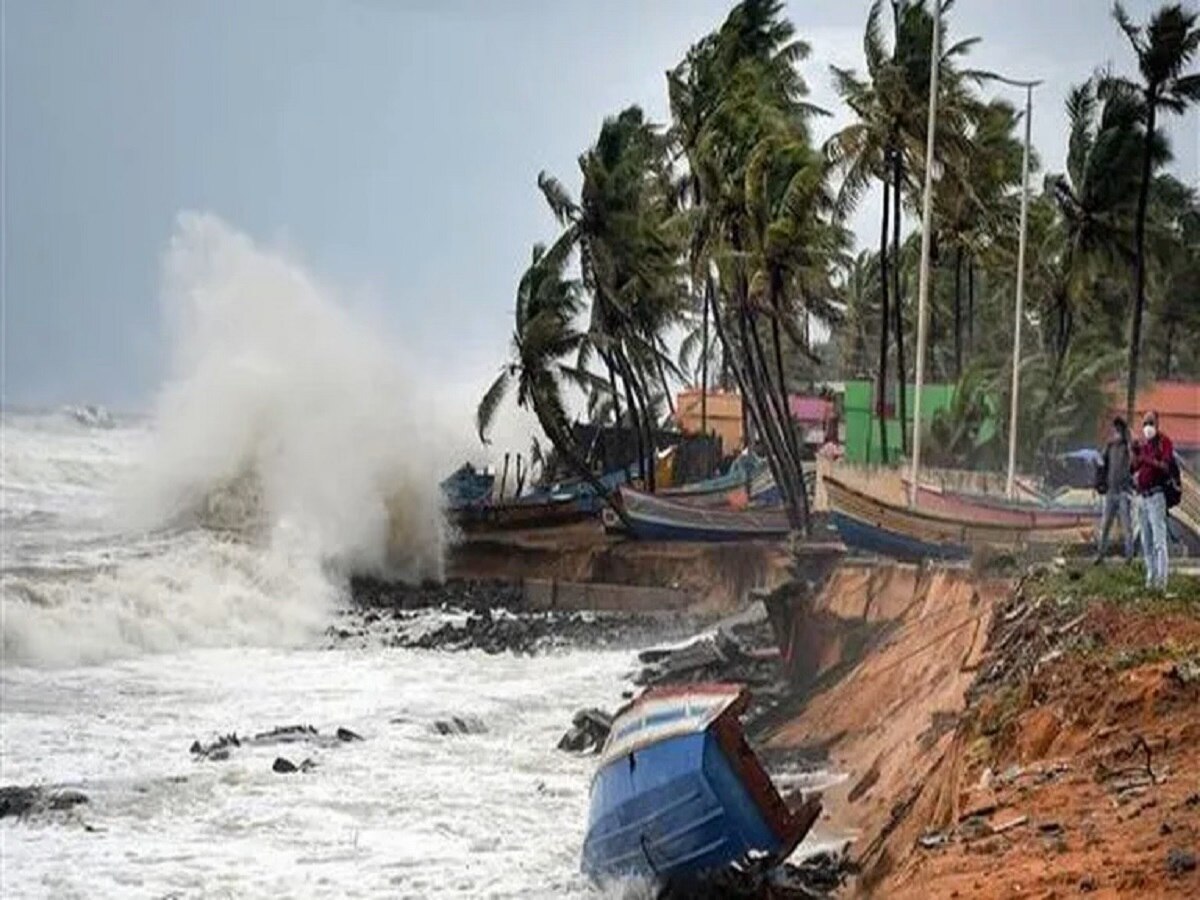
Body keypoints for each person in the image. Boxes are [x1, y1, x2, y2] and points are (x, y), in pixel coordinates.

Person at [1131, 410, 1174, 591]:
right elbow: (1133, 468)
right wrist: (1135, 453)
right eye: (1144, 424)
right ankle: (1150, 579)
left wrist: (1146, 459)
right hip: (1142, 497)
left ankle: (1161, 583)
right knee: (1146, 542)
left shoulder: (1164, 442)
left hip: (1157, 496)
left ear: (1157, 424)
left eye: (1150, 423)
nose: (1147, 427)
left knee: (1159, 542)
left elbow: (1165, 467)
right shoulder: (1145, 445)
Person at [1094, 417, 1135, 563]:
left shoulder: (1127, 446)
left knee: (1126, 526)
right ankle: (1100, 555)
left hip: (1124, 492)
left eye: (1119, 430)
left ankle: (1129, 556)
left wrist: (1128, 437)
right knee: (1105, 525)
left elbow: (1133, 460)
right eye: (1115, 430)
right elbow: (1101, 464)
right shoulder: (1110, 447)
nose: (1116, 433)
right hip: (1111, 492)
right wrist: (1100, 482)